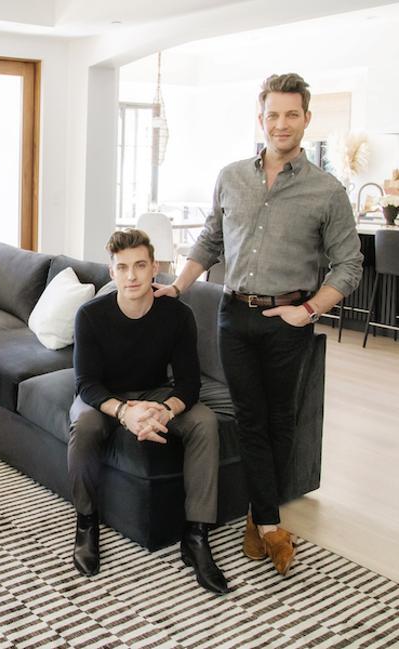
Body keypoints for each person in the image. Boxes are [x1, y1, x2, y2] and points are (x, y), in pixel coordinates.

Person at [154, 73, 362, 576]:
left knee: (280, 422)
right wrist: (178, 288)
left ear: (306, 120)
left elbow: (349, 266)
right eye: (273, 114)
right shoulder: (231, 176)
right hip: (234, 314)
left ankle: (260, 517)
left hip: (288, 318)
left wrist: (309, 310)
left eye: (292, 114)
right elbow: (209, 240)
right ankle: (267, 522)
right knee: (250, 418)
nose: (281, 124)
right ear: (261, 117)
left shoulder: (327, 191)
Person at [68, 229, 228, 595]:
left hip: (155, 394)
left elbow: (189, 383)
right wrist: (125, 413)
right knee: (85, 425)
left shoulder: (177, 315)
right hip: (106, 396)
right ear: (111, 272)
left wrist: (164, 412)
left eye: (140, 265)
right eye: (122, 267)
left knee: (204, 421)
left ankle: (196, 535)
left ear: (155, 267)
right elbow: (86, 385)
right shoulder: (90, 315)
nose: (132, 276)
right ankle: (85, 524)